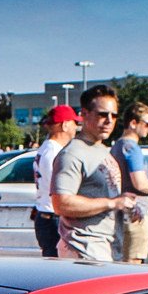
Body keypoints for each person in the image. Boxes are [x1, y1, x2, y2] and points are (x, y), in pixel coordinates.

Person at [50, 86, 135, 262]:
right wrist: (112, 203)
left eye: (114, 115)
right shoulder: (72, 153)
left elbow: (105, 195)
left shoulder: (103, 150)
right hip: (84, 250)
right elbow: (61, 204)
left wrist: (124, 201)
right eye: (102, 114)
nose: (109, 121)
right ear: (84, 114)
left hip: (107, 248)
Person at [110, 102, 148, 264]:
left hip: (122, 213)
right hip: (135, 213)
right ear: (133, 123)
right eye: (147, 124)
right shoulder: (132, 148)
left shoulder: (118, 146)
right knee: (134, 262)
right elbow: (139, 182)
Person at [30, 106, 76, 257]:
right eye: (74, 122)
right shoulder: (54, 152)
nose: (76, 127)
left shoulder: (47, 148)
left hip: (47, 215)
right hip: (52, 218)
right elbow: (59, 188)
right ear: (64, 125)